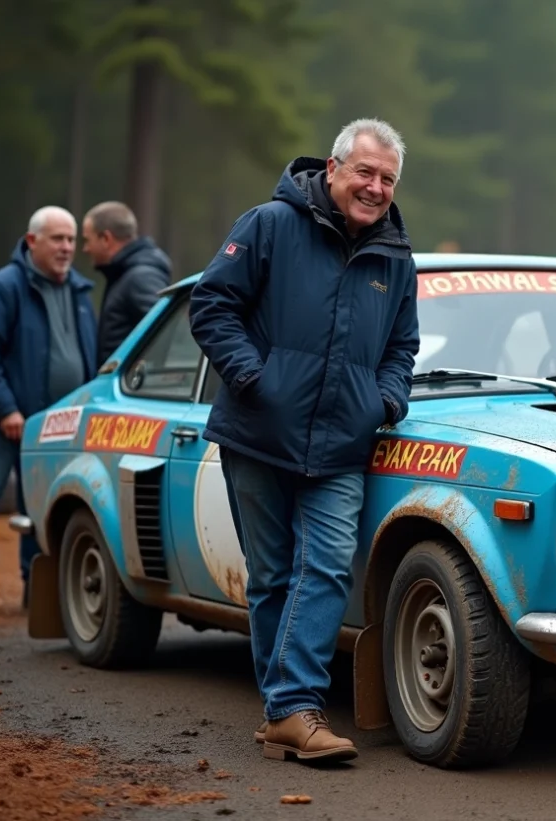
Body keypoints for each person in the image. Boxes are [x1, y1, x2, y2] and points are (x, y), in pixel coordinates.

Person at [188, 118, 419, 763]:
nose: (375, 188)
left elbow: (402, 346)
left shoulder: (396, 258)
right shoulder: (268, 224)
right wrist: (251, 376)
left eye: (387, 179)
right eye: (365, 173)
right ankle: (286, 712)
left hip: (344, 442)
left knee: (322, 566)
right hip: (258, 433)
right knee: (270, 577)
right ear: (333, 168)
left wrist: (387, 398)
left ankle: (291, 709)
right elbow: (211, 306)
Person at [0, 206, 98, 613]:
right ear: (32, 240)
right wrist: (6, 409)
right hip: (7, 423)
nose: (67, 248)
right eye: (58, 239)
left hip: (58, 425)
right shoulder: (2, 288)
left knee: (39, 507)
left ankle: (32, 588)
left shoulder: (80, 291)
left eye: (72, 239)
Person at [81, 201, 171, 367]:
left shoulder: (140, 277)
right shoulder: (123, 274)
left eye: (88, 240)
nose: (85, 249)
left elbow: (163, 337)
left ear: (106, 239)